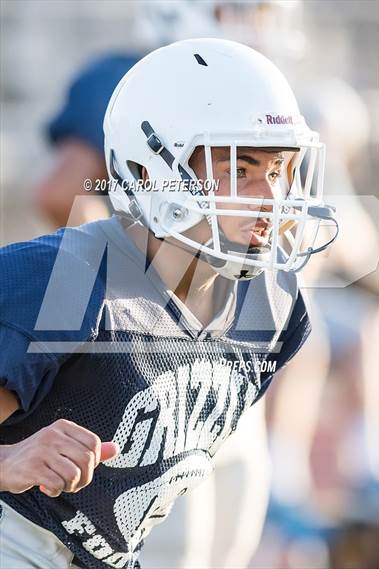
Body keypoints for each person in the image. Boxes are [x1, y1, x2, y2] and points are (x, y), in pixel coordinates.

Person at [0, 39, 337, 569]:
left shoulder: (270, 304)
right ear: (151, 173)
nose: (269, 199)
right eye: (239, 170)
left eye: (277, 172)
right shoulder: (70, 279)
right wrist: (7, 459)